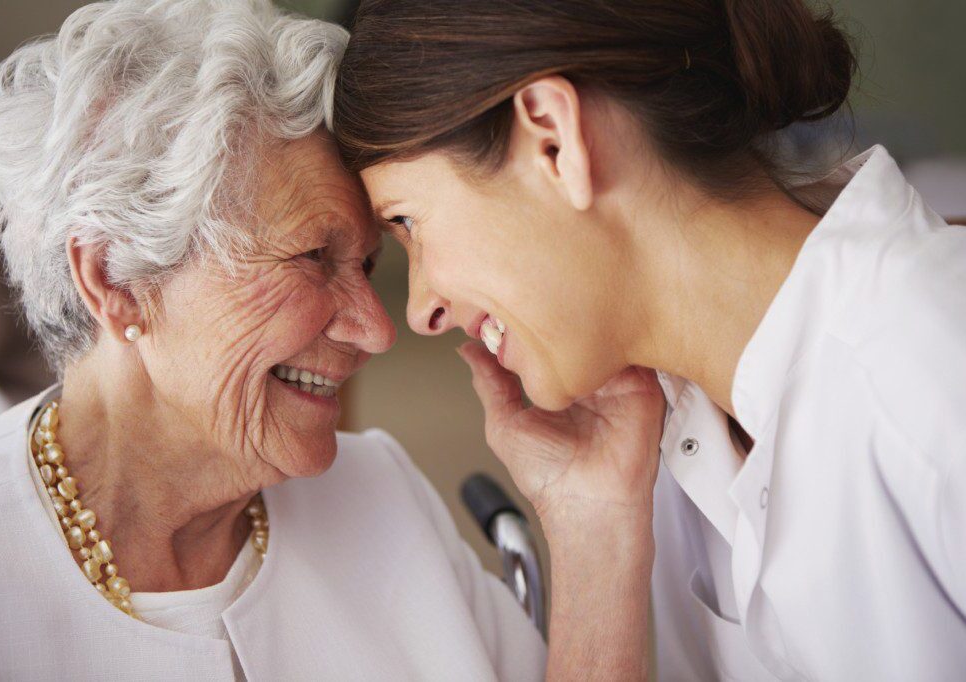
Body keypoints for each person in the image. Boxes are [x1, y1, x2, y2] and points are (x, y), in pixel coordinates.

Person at [333, 0, 966, 679]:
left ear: (553, 140)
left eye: (407, 221)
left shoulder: (930, 367)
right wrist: (593, 523)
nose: (422, 308)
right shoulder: (674, 435)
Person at [0, 1, 545, 679]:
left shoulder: (380, 491)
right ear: (115, 278)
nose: (376, 330)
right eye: (313, 255)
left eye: (367, 266)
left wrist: (592, 518)